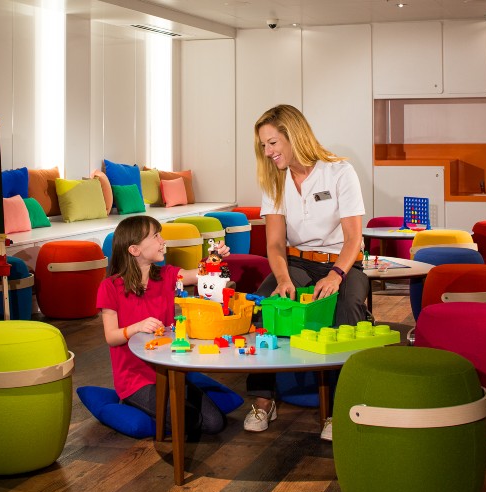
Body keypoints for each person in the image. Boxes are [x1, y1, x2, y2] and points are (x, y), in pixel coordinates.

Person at [245, 104, 369, 441]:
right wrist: (283, 278)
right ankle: (262, 400)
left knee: (348, 311)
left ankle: (340, 407)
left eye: (272, 143)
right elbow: (274, 244)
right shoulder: (274, 181)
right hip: (297, 263)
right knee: (267, 307)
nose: (268, 152)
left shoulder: (339, 171)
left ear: (293, 135)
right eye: (263, 146)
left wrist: (336, 276)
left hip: (341, 263)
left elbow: (354, 237)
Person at [96, 215, 231, 440]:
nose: (163, 241)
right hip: (134, 380)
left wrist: (214, 258)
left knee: (215, 423)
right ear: (134, 249)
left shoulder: (168, 275)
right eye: (156, 236)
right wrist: (137, 327)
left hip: (169, 372)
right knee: (190, 420)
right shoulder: (109, 287)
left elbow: (198, 276)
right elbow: (111, 337)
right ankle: (133, 403)